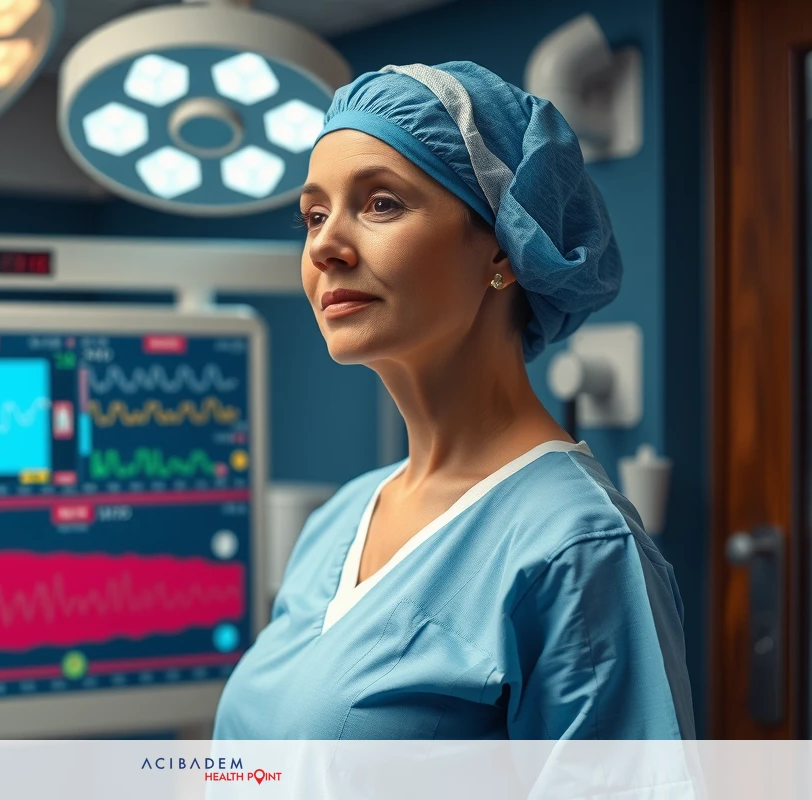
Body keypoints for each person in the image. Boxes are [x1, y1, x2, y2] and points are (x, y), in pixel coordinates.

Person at [213, 62, 695, 739]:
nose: (324, 243)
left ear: (502, 248)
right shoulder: (343, 518)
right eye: (313, 215)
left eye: (380, 203)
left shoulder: (575, 551)